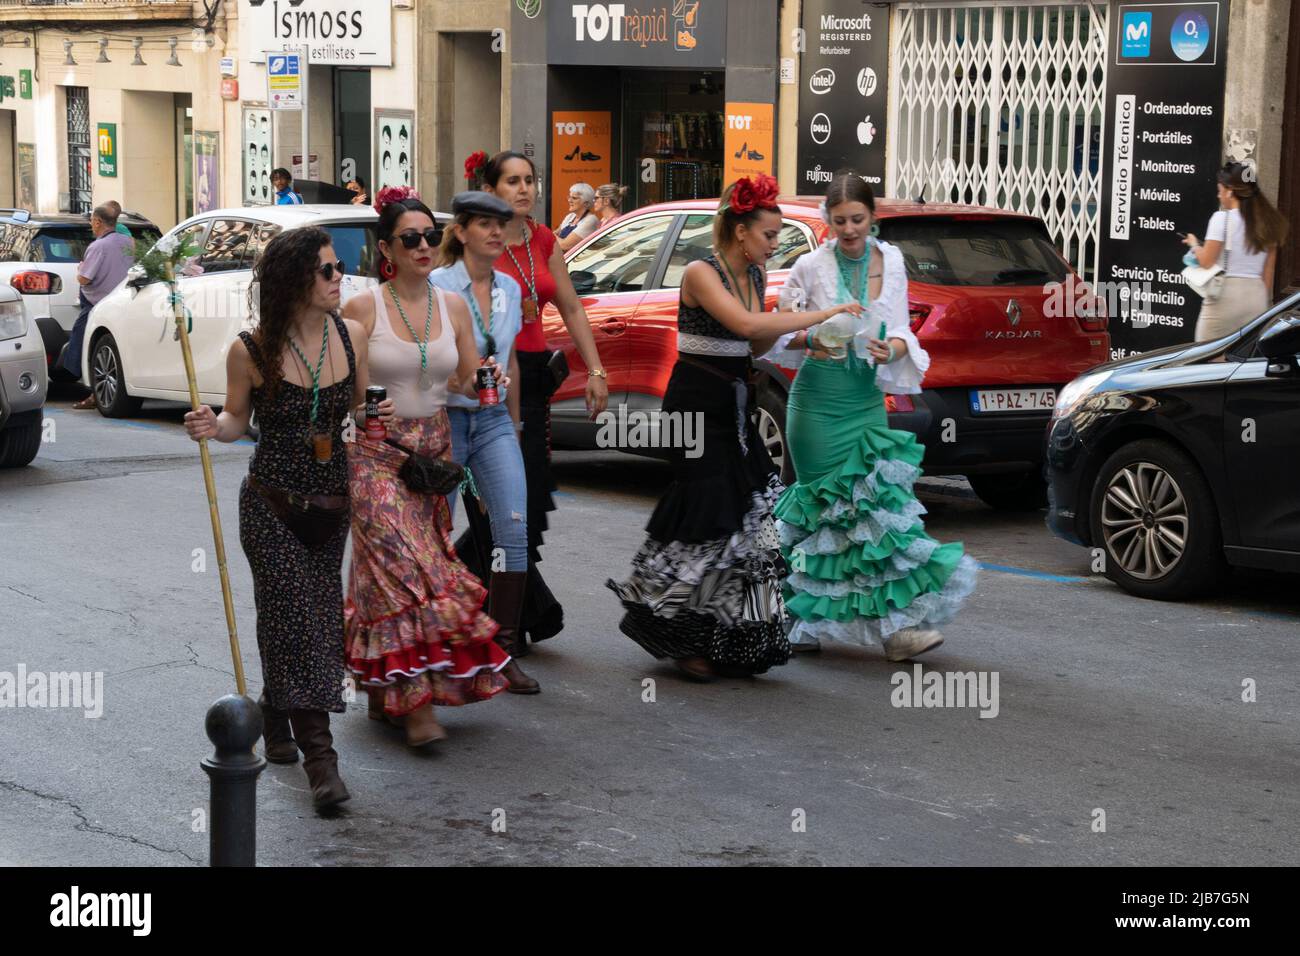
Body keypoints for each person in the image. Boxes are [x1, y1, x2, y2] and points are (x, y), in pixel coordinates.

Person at [606, 174, 860, 681]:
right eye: (768, 235)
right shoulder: (702, 272)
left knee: (752, 515)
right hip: (695, 405)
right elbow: (745, 327)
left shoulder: (757, 278)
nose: (774, 245)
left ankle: (730, 636)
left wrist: (809, 339)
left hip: (734, 403)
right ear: (740, 231)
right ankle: (679, 633)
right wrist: (822, 312)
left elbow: (754, 347)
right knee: (708, 514)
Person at [183, 226, 369, 813]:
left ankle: (275, 711)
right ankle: (323, 762)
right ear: (295, 281)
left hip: (332, 504)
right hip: (271, 504)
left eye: (340, 269)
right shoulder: (252, 350)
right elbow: (239, 419)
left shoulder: (352, 335)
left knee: (307, 618)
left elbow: (361, 410)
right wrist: (215, 425)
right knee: (292, 612)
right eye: (328, 271)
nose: (339, 279)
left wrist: (380, 415)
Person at [773, 172, 977, 661]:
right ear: (827, 219)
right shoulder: (809, 266)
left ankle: (898, 629)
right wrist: (812, 338)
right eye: (840, 220)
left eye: (858, 220)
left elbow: (904, 326)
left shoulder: (895, 260)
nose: (849, 230)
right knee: (824, 515)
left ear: (873, 218)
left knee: (877, 511)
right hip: (816, 406)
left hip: (864, 403)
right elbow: (782, 331)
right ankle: (797, 617)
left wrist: (895, 349)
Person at [342, 188, 512, 744]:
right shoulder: (363, 308)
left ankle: (385, 688)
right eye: (409, 238)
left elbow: (463, 380)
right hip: (375, 453)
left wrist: (487, 381)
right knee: (407, 568)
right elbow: (341, 385)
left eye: (428, 235)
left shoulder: (453, 307)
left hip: (432, 453)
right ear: (387, 249)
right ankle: (415, 709)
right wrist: (365, 403)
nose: (422, 246)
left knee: (394, 573)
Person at [477, 151, 610, 652]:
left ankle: (491, 606)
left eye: (530, 180)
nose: (525, 189)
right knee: (508, 505)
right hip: (491, 381)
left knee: (527, 500)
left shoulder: (544, 239)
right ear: (492, 189)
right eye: (513, 181)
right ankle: (503, 616)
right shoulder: (481, 244)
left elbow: (571, 305)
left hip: (535, 382)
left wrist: (596, 369)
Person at [429, 190, 540, 694]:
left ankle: (504, 652)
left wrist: (513, 427)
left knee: (513, 528)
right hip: (446, 419)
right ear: (462, 231)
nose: (498, 232)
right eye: (485, 224)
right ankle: (431, 650)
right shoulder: (437, 285)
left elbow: (511, 360)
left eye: (503, 224)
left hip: (493, 420)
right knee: (433, 531)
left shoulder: (512, 289)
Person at [1183, 162, 1290, 341]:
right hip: (1256, 298)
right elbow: (1268, 271)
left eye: (1220, 190)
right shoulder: (1269, 222)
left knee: (1206, 356)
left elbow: (1207, 261)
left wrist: (1194, 245)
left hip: (1225, 296)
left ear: (1230, 191)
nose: (1219, 195)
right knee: (1245, 360)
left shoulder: (1221, 219)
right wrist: (1265, 303)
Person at [66, 204, 134, 406]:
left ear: (98, 222)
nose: (91, 226)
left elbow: (85, 279)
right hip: (123, 300)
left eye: (92, 222)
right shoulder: (128, 242)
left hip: (97, 304)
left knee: (86, 346)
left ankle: (92, 392)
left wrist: (80, 270)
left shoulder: (97, 246)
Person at [556, 183, 600, 251]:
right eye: (569, 197)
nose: (569, 200)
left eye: (574, 198)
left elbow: (564, 245)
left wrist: (551, 236)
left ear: (586, 203)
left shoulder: (591, 220)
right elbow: (555, 234)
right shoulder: (570, 216)